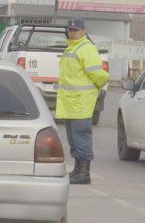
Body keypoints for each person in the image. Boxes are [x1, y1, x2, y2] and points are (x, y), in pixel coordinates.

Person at [56, 18, 110, 184]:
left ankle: (84, 173)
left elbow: (98, 75)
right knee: (73, 138)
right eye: (71, 30)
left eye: (76, 30)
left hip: (81, 103)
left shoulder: (86, 49)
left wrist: (99, 84)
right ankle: (77, 170)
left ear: (83, 30)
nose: (73, 32)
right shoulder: (71, 48)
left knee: (81, 136)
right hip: (70, 103)